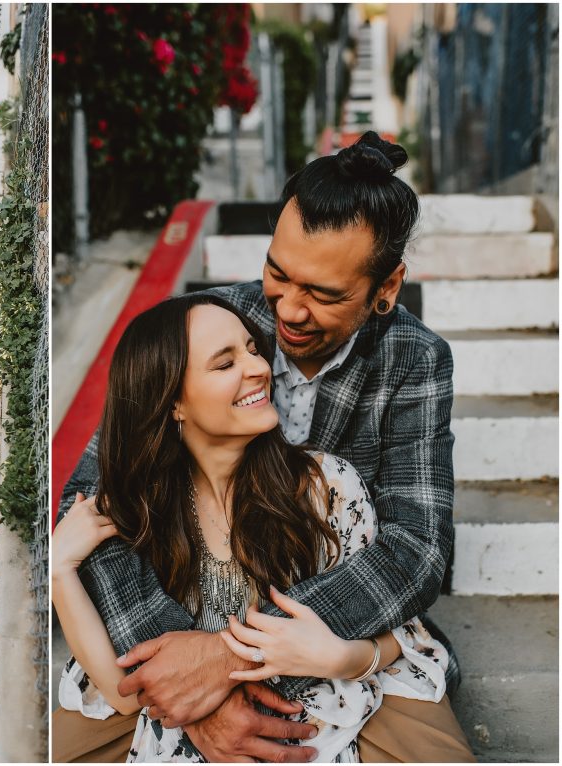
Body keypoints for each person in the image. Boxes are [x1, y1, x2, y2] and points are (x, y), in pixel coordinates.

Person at [55, 132, 474, 762]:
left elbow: (417, 550)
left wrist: (227, 659)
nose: (290, 311)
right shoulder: (208, 323)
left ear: (387, 286)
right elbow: (96, 495)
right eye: (278, 273)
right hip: (179, 610)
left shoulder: (414, 360)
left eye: (325, 294)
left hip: (333, 626)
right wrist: (186, 684)